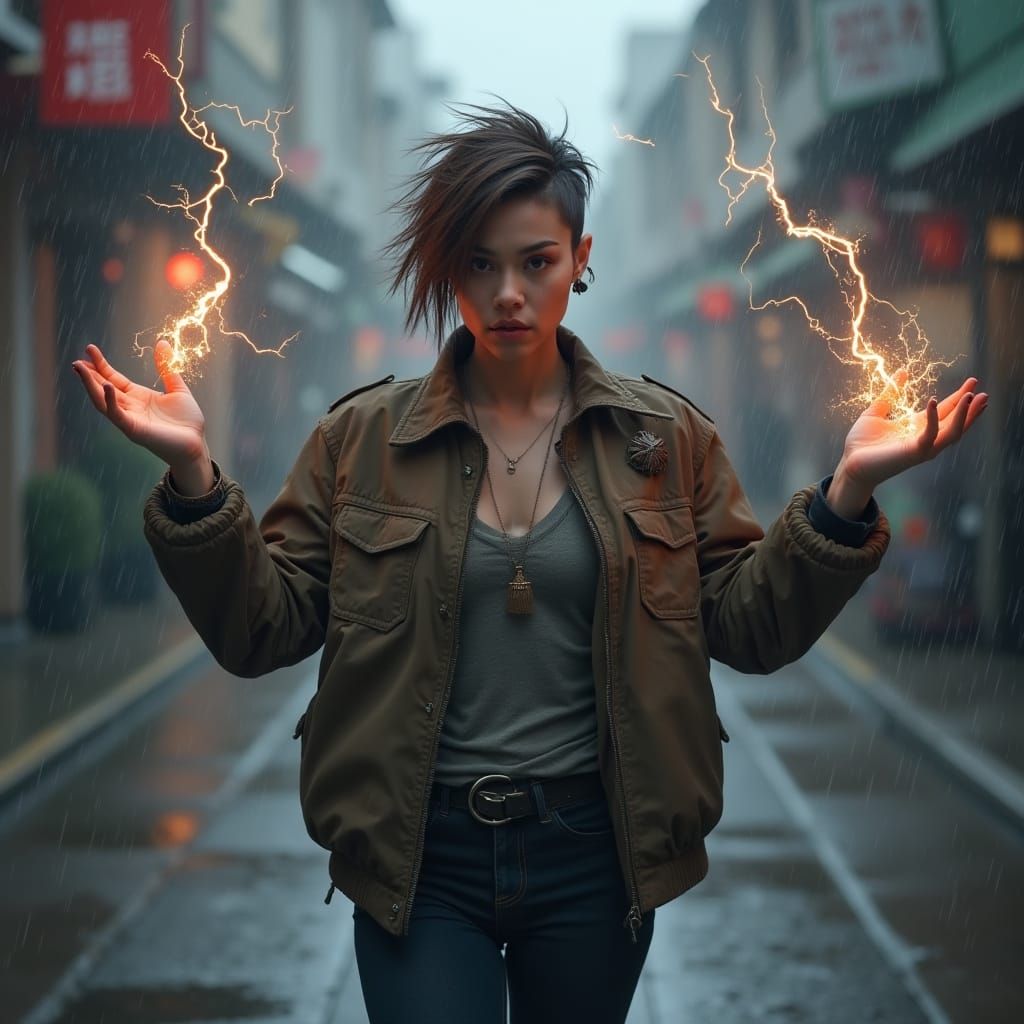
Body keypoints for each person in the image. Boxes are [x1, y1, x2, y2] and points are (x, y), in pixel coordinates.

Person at [71, 102, 987, 1024]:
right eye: (480, 263)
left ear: (580, 260)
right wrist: (193, 477)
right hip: (418, 858)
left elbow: (749, 628)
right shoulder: (362, 440)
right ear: (448, 269)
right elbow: (261, 630)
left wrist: (846, 495)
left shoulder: (664, 438)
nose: (508, 292)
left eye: (536, 262)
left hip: (595, 853)